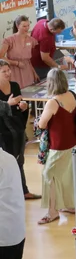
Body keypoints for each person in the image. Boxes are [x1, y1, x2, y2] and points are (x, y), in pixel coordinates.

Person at [35, 69, 76, 225]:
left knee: (49, 175)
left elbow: (42, 124)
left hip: (58, 146)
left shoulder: (53, 102)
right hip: (72, 141)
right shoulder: (72, 95)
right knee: (67, 174)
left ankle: (52, 212)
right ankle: (70, 205)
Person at [0, 60, 36, 201]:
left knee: (19, 161)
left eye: (9, 70)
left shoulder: (14, 86)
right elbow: (7, 107)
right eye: (4, 71)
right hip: (2, 132)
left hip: (16, 130)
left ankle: (23, 190)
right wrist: (8, 105)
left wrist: (23, 107)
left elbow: (18, 109)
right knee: (5, 164)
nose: (8, 73)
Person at [0, 17, 38, 89]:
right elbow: (1, 57)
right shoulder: (9, 40)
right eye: (24, 26)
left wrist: (34, 72)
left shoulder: (31, 40)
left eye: (28, 25)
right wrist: (16, 63)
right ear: (17, 26)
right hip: (14, 70)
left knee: (29, 90)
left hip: (27, 70)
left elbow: (28, 60)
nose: (26, 28)